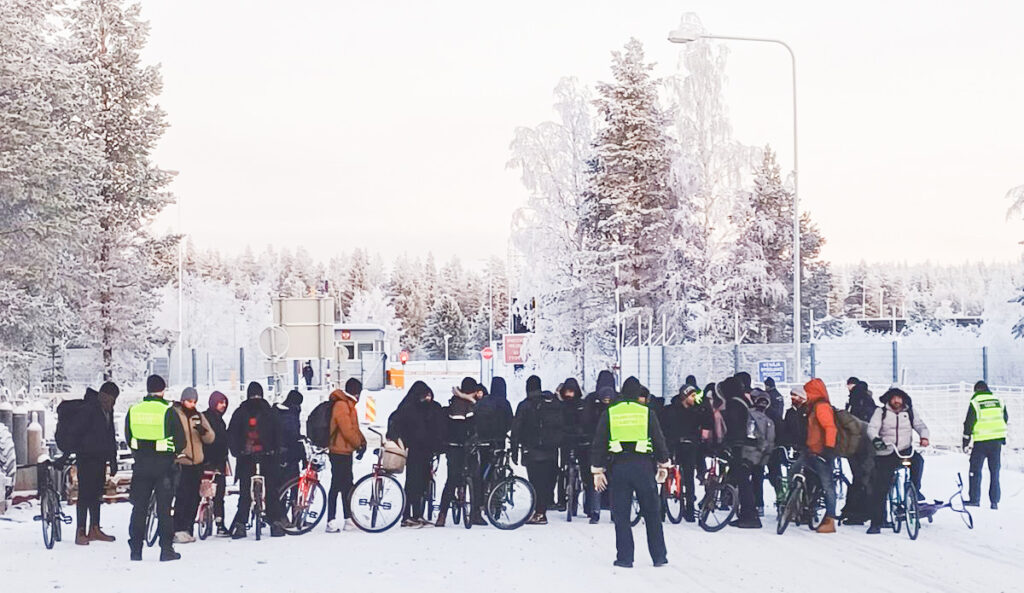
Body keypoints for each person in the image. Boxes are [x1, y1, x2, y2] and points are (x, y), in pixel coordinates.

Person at [590, 376, 670, 568]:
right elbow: (658, 440)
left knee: (621, 515)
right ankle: (659, 556)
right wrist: (663, 464)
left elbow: (599, 443)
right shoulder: (647, 412)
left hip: (619, 467)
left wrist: (597, 470)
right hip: (643, 467)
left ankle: (625, 558)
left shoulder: (611, 412)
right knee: (652, 512)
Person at [125, 375, 186, 561]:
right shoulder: (168, 411)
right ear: (163, 390)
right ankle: (166, 549)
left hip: (141, 466)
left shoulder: (134, 410)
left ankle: (136, 549)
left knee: (139, 508)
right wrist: (173, 452)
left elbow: (129, 437)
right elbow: (181, 441)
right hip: (164, 467)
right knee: (164, 509)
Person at [865, 387, 930, 534]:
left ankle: (915, 491)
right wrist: (876, 440)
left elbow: (920, 425)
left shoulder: (910, 412)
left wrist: (924, 436)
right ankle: (877, 522)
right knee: (881, 487)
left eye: (899, 398)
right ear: (889, 399)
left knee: (918, 462)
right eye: (893, 398)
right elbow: (872, 428)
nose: (896, 401)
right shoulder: (880, 412)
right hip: (887, 451)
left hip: (905, 450)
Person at [227, 381, 287, 539]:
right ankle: (275, 523)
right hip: (268, 456)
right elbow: (279, 432)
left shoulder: (240, 412)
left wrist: (237, 451)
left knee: (245, 492)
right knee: (271, 491)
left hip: (246, 457)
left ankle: (241, 525)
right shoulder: (269, 411)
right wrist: (277, 449)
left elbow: (232, 433)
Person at [387, 381, 443, 527]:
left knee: (419, 483)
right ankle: (407, 516)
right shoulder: (409, 409)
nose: (428, 399)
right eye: (425, 395)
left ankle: (416, 514)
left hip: (424, 451)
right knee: (413, 483)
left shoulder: (412, 407)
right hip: (414, 452)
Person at [71, 382, 120, 545]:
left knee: (97, 494)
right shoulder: (89, 408)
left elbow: (110, 435)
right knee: (85, 494)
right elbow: (77, 433)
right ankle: (80, 531)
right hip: (86, 459)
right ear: (103, 395)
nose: (110, 402)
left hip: (100, 459)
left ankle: (95, 528)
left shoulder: (107, 410)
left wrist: (113, 460)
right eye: (108, 398)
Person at [511, 375, 564, 524]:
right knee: (547, 482)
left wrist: (515, 450)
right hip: (552, 450)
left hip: (532, 450)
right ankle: (542, 509)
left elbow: (516, 428)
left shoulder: (525, 405)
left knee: (536, 483)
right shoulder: (551, 402)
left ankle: (540, 513)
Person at [659, 383, 710, 522]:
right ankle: (661, 508)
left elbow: (706, 421)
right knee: (666, 474)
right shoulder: (670, 410)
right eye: (692, 396)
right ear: (684, 396)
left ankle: (690, 508)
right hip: (673, 445)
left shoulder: (697, 411)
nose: (694, 399)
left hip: (690, 445)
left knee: (689, 477)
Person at [171, 387, 215, 543]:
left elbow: (210, 437)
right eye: (189, 401)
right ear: (183, 400)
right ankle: (178, 528)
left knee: (194, 497)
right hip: (182, 461)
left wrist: (203, 431)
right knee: (182, 496)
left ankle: (188, 527)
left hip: (197, 462)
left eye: (194, 401)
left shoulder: (198, 416)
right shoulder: (175, 414)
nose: (192, 404)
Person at [435, 377, 479, 527]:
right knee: (458, 478)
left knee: (452, 479)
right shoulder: (461, 404)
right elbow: (465, 426)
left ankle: (442, 515)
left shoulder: (456, 401)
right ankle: (443, 513)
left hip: (453, 446)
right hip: (458, 445)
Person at [325, 378, 367, 532]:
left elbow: (354, 428)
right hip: (338, 451)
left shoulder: (348, 405)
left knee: (346, 485)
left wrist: (363, 441)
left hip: (344, 451)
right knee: (337, 485)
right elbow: (347, 430)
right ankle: (331, 520)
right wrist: (358, 444)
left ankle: (348, 518)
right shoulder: (342, 405)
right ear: (357, 391)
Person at [797, 379, 839, 533]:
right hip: (811, 450)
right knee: (813, 480)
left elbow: (830, 428)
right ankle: (807, 509)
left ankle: (830, 518)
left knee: (827, 485)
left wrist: (828, 448)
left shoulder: (821, 407)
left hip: (821, 452)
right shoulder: (812, 407)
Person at [720, 376, 759, 528]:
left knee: (743, 482)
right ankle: (748, 513)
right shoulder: (745, 401)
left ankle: (749, 516)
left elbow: (734, 427)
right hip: (750, 446)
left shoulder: (734, 404)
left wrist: (727, 444)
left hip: (740, 447)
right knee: (744, 481)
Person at [963, 380, 1008, 509]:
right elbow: (1004, 418)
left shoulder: (975, 403)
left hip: (981, 442)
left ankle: (974, 499)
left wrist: (965, 442)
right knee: (994, 471)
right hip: (996, 442)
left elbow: (968, 423)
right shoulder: (999, 401)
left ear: (976, 390)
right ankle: (994, 501)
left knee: (975, 470)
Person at [582, 371, 616, 523]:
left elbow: (584, 420)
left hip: (594, 443)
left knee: (595, 475)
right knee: (614, 477)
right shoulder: (619, 399)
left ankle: (594, 510)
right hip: (614, 443)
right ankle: (614, 509)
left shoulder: (590, 399)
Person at [557, 378, 589, 515]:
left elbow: (586, 421)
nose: (569, 395)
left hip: (579, 440)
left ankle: (587, 502)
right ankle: (561, 500)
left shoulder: (581, 405)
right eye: (567, 392)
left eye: (572, 392)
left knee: (584, 470)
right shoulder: (561, 405)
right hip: (565, 440)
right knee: (563, 470)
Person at [202, 391, 231, 536]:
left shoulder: (220, 420)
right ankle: (217, 522)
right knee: (213, 493)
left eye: (224, 402)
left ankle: (219, 522)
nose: (223, 405)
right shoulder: (207, 419)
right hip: (209, 461)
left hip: (217, 462)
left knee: (219, 493)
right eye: (220, 402)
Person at [275, 390, 306, 495]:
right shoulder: (290, 414)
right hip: (290, 454)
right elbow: (293, 436)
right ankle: (294, 505)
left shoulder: (277, 412)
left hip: (277, 453)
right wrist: (303, 456)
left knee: (279, 485)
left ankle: (280, 506)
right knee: (294, 483)